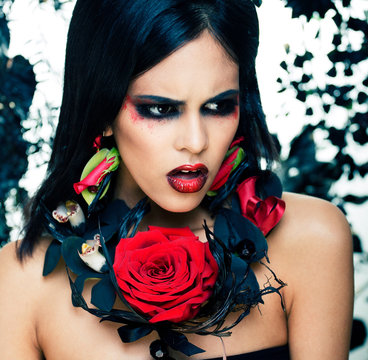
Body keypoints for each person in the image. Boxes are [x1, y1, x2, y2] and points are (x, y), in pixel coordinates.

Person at [0, 0, 353, 359]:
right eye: (160, 109)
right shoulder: (22, 282)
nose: (196, 142)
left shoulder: (312, 239)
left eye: (217, 107)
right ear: (101, 109)